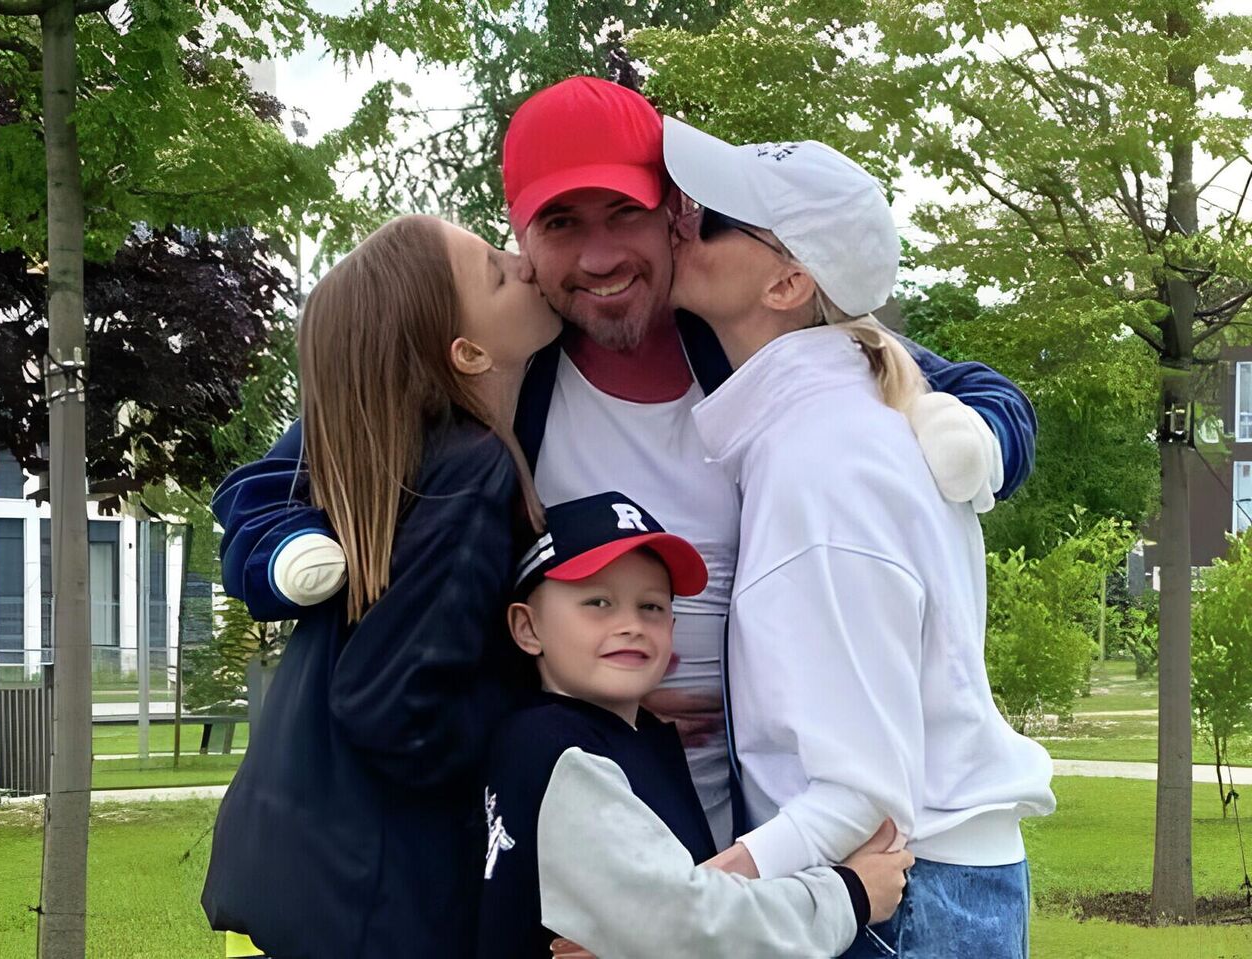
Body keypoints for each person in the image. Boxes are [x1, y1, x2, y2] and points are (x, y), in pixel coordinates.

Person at [224, 75, 1040, 853]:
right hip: (572, 840)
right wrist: (286, 557)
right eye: (561, 224)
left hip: (761, 832)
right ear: (521, 241)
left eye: (625, 212)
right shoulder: (501, 375)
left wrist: (971, 443)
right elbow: (274, 486)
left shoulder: (752, 345)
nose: (601, 255)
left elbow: (972, 392)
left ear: (676, 213)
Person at [662, 116, 1056, 957]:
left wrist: (671, 914)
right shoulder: (859, 421)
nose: (680, 219)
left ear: (787, 282)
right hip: (931, 886)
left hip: (898, 901)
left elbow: (860, 797)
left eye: (712, 217)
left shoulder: (823, 464)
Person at [199, 214, 561, 959]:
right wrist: (545, 719)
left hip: (297, 883)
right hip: (375, 905)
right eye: (496, 272)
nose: (523, 262)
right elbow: (392, 705)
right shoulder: (472, 466)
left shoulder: (393, 450)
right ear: (467, 352)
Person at [477, 492, 914, 958]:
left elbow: (657, 921)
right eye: (598, 602)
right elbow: (684, 923)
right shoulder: (558, 751)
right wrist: (849, 894)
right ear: (527, 628)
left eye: (651, 606)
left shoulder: (624, 738)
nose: (631, 625)